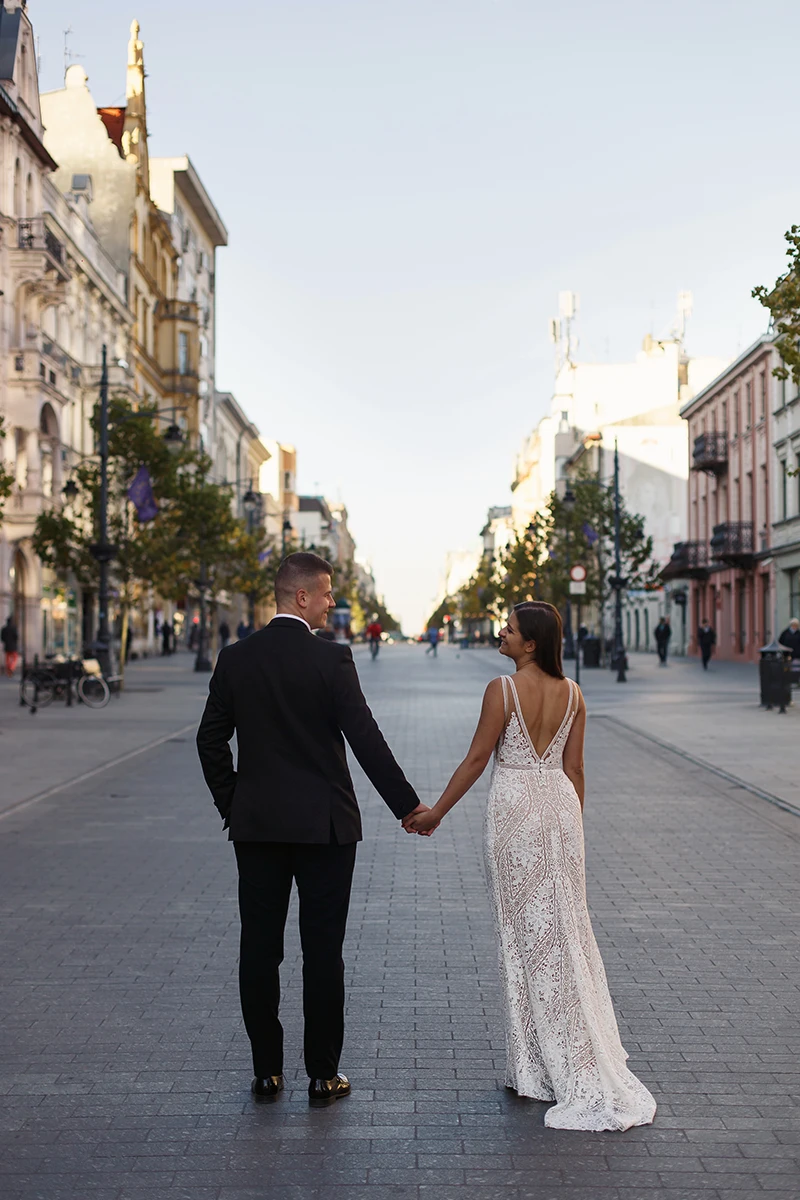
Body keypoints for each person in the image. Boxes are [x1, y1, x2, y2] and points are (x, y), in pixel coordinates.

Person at [405, 602, 656, 1131]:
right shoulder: (575, 694)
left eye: (511, 628)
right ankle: (560, 1055)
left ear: (531, 643)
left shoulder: (502, 689)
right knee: (566, 929)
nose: (502, 632)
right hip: (561, 810)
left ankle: (537, 1069)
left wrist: (437, 812)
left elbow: (478, 759)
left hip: (515, 809)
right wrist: (573, 828)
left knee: (522, 933)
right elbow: (575, 767)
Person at [196, 552, 433, 1108]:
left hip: (257, 828)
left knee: (259, 950)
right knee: (323, 952)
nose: (332, 602)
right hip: (326, 829)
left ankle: (266, 1073)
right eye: (326, 593)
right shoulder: (332, 659)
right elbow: (365, 737)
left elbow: (210, 740)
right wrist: (408, 807)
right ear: (300, 597)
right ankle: (323, 1076)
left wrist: (235, 802)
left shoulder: (236, 658)